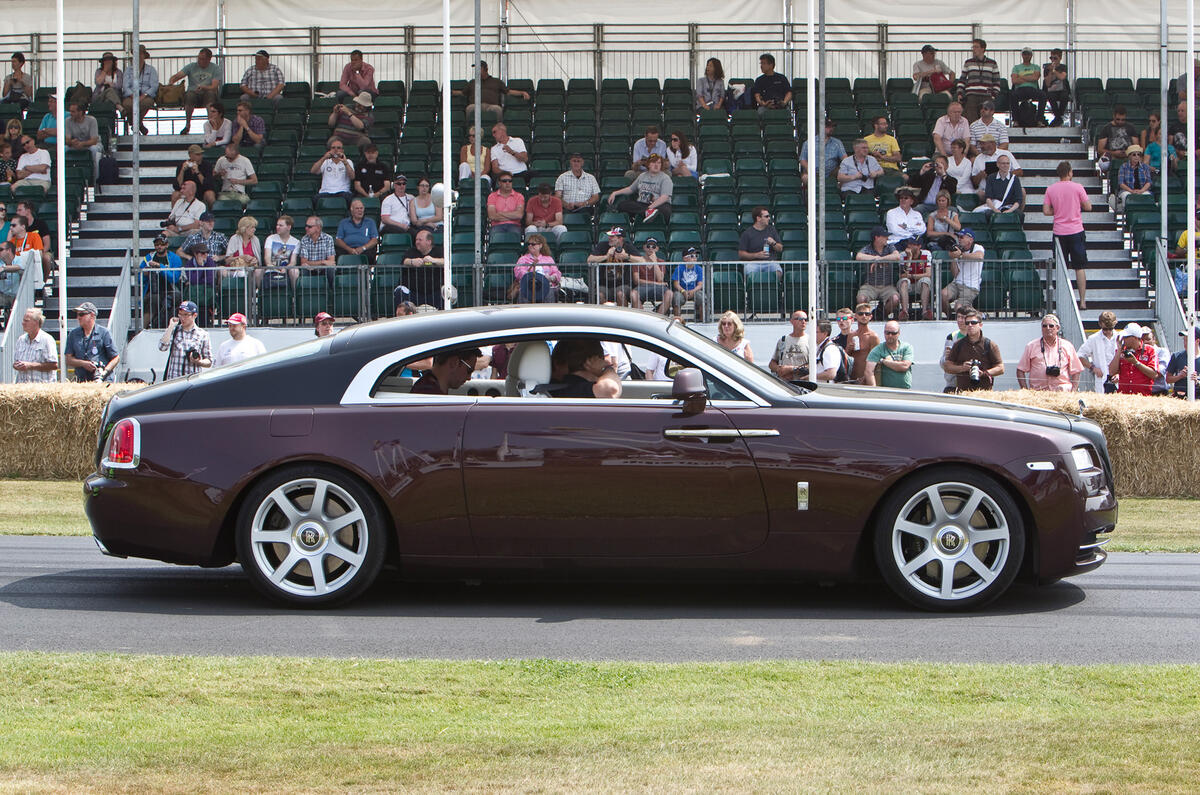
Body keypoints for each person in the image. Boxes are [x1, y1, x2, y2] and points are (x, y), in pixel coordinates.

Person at [1042, 160, 1092, 309]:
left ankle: (1063, 301)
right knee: (1080, 267)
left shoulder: (1050, 189)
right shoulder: (1078, 187)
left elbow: (1046, 211)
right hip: (1076, 230)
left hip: (1059, 232)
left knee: (1062, 268)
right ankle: (1082, 301)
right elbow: (1088, 206)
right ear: (1070, 172)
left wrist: (1057, 211)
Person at [1016, 313, 1083, 391]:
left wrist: (1073, 391)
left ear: (1057, 328)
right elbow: (1020, 370)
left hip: (1063, 392)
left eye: (1051, 326)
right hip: (1038, 392)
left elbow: (1076, 370)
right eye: (1044, 326)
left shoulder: (1067, 346)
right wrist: (1025, 391)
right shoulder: (1031, 346)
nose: (1047, 328)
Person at [944, 309, 1004, 391]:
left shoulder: (989, 344)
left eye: (973, 323)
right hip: (963, 393)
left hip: (984, 393)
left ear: (980, 325)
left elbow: (1000, 368)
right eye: (967, 323)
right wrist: (963, 368)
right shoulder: (958, 345)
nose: (970, 325)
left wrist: (983, 373)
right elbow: (947, 366)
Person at [167, 48, 222, 134]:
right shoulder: (191, 66)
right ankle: (187, 124)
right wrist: (172, 81)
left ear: (209, 59)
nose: (199, 61)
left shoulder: (215, 68)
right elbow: (178, 75)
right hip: (193, 92)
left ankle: (211, 124)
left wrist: (204, 87)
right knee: (189, 96)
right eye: (199, 58)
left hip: (207, 92)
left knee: (210, 95)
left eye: (202, 59)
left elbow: (214, 86)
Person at [64, 301, 119, 382]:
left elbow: (116, 358)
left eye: (81, 314)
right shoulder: (73, 334)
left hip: (103, 380)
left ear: (92, 315)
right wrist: (83, 363)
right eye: (77, 315)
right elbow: (68, 359)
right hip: (82, 381)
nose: (78, 317)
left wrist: (104, 372)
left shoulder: (104, 333)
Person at [609, 153, 673, 223]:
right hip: (642, 204)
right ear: (648, 164)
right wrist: (615, 193)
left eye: (659, 163)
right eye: (653, 162)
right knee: (623, 205)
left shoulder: (665, 178)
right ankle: (647, 213)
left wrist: (650, 208)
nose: (656, 165)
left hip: (658, 205)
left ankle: (648, 213)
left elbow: (665, 197)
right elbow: (631, 189)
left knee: (666, 211)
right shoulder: (642, 176)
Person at [454, 60, 528, 120]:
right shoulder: (472, 82)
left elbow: (508, 92)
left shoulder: (496, 81)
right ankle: (470, 130)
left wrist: (522, 93)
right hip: (475, 105)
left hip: (492, 106)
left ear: (486, 69)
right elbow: (462, 93)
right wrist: (451, 92)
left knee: (498, 110)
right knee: (469, 109)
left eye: (479, 68)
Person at [855, 227, 901, 319]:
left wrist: (880, 259)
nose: (887, 238)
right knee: (861, 298)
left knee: (895, 299)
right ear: (877, 237)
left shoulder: (890, 247)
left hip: (887, 285)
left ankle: (881, 314)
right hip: (870, 285)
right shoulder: (868, 248)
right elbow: (859, 256)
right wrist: (875, 258)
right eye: (884, 236)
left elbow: (897, 256)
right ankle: (866, 317)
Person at [549, 339, 621, 399]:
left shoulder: (550, 388)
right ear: (595, 361)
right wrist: (606, 369)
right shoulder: (576, 389)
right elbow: (611, 390)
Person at [588, 226, 642, 305]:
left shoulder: (628, 246)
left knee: (620, 294)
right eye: (609, 236)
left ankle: (622, 316)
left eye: (612, 237)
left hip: (623, 284)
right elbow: (589, 259)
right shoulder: (602, 245)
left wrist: (626, 256)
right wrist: (606, 256)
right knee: (599, 295)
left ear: (620, 238)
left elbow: (642, 261)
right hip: (604, 284)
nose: (609, 238)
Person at [139, 234, 184, 326]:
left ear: (167, 245)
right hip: (152, 291)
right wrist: (145, 274)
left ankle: (172, 328)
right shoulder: (148, 258)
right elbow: (140, 278)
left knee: (176, 299)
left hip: (171, 290)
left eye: (162, 244)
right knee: (153, 300)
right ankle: (142, 329)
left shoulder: (175, 258)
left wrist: (160, 267)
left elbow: (174, 278)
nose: (159, 246)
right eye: (157, 244)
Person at [158, 300, 211, 379]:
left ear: (194, 315)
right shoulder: (174, 330)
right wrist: (170, 327)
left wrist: (198, 361)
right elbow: (162, 347)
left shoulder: (203, 334)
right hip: (173, 379)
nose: (182, 318)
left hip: (192, 380)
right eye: (180, 314)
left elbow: (209, 361)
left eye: (186, 315)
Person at [940, 228, 985, 317]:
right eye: (958, 237)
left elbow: (979, 257)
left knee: (959, 307)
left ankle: (980, 314)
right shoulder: (957, 249)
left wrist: (960, 255)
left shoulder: (977, 247)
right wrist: (953, 258)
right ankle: (950, 317)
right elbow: (955, 273)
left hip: (971, 286)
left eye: (962, 237)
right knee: (942, 295)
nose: (959, 239)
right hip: (957, 282)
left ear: (970, 240)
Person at [397, 228, 445, 308]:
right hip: (414, 292)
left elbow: (446, 262)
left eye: (420, 240)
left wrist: (433, 260)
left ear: (429, 242)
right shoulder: (412, 251)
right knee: (399, 290)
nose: (417, 242)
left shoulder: (439, 251)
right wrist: (412, 262)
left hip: (435, 292)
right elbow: (404, 261)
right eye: (416, 240)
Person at [957, 38, 1000, 123]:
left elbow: (997, 81)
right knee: (971, 120)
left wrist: (993, 95)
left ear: (983, 49)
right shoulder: (968, 62)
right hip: (971, 95)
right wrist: (960, 93)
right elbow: (962, 79)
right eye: (973, 47)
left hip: (986, 95)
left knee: (986, 120)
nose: (974, 49)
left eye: (976, 47)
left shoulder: (992, 63)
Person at [1108, 323, 1157, 395]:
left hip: (1143, 397)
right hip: (1124, 396)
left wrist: (1136, 362)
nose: (1123, 339)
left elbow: (1154, 374)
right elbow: (1111, 372)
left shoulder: (1150, 350)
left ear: (1135, 338)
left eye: (1126, 337)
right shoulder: (1120, 351)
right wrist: (1119, 350)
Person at [1097, 106, 1139, 189]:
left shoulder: (1131, 128)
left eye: (1122, 119)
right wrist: (1113, 153)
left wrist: (1128, 152)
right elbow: (1100, 149)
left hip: (1128, 156)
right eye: (1118, 119)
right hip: (1112, 156)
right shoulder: (1106, 128)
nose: (1120, 122)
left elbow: (1137, 146)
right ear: (1114, 116)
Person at [11, 308, 58, 383]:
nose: (23, 323)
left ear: (36, 322)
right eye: (23, 320)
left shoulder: (47, 340)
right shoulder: (21, 340)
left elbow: (54, 365)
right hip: (23, 388)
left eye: (26, 321)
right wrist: (16, 366)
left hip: (42, 388)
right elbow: (16, 362)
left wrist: (30, 365)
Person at [120, 45, 158, 136]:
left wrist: (143, 96)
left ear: (144, 56)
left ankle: (135, 124)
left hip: (145, 96)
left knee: (147, 103)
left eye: (141, 54)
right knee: (127, 104)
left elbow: (154, 86)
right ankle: (138, 124)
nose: (139, 56)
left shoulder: (151, 70)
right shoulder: (129, 70)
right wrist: (133, 96)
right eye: (137, 54)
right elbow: (125, 86)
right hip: (131, 96)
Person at [1078, 310, 1119, 393]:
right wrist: (1093, 368)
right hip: (1101, 380)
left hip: (1118, 381)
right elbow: (1079, 356)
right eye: (1105, 329)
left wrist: (1120, 374)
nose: (1107, 332)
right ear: (1100, 324)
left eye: (1110, 329)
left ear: (1115, 324)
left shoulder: (1120, 337)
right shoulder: (1093, 339)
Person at [800, 118, 847, 190]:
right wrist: (809, 169)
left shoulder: (837, 143)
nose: (831, 129)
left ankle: (839, 194)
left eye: (832, 127)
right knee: (805, 178)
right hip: (814, 172)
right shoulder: (809, 142)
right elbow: (803, 160)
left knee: (845, 172)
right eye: (828, 127)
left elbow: (845, 159)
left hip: (832, 172)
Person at [512, 233, 561, 303]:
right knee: (523, 292)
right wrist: (531, 277)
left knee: (549, 291)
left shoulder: (548, 259)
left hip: (546, 287)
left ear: (540, 245)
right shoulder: (523, 259)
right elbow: (518, 272)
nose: (530, 246)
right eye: (529, 244)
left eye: (533, 244)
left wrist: (551, 278)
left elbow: (557, 273)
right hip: (529, 287)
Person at [629, 238, 673, 314]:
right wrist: (655, 283)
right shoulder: (637, 261)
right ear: (644, 247)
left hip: (658, 288)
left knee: (669, 293)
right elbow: (636, 280)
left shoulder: (661, 262)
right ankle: (642, 317)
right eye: (648, 246)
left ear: (657, 249)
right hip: (642, 287)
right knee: (633, 294)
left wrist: (654, 262)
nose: (651, 248)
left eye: (653, 247)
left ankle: (659, 317)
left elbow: (660, 279)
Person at [412, 348, 483, 395]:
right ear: (453, 363)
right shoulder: (429, 394)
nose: (469, 378)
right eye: (469, 371)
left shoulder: (428, 386)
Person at [738, 206, 784, 277]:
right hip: (753, 263)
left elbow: (780, 248)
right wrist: (756, 255)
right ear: (758, 218)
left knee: (778, 271)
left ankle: (774, 288)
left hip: (770, 262)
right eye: (766, 216)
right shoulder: (747, 233)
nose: (769, 218)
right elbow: (741, 254)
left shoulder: (772, 230)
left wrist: (773, 243)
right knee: (750, 273)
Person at [866, 321, 914, 389]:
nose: (890, 335)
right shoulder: (878, 350)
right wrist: (874, 390)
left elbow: (904, 366)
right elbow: (868, 371)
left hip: (905, 391)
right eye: (887, 333)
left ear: (899, 333)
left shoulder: (906, 347)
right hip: (886, 391)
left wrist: (885, 362)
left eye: (893, 333)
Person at [64, 102, 103, 181]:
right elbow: (66, 139)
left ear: (80, 112)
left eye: (73, 112)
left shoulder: (92, 120)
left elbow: (94, 140)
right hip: (75, 145)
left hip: (90, 144)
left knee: (94, 149)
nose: (70, 113)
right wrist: (71, 142)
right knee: (63, 149)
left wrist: (82, 144)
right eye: (70, 111)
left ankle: (96, 178)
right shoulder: (67, 121)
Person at [897, 237, 934, 321]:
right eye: (909, 244)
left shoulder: (926, 254)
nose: (909, 246)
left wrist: (912, 275)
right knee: (904, 282)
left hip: (919, 284)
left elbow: (928, 274)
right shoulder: (903, 254)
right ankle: (904, 312)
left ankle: (924, 312)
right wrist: (909, 258)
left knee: (926, 280)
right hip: (908, 284)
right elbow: (903, 275)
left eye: (913, 244)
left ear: (919, 246)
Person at [769, 311, 811, 383]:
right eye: (800, 319)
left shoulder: (810, 341)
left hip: (803, 383)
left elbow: (814, 365)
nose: (803, 322)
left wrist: (791, 370)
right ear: (792, 321)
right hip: (784, 383)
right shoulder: (783, 340)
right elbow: (772, 363)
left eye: (805, 319)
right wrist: (780, 370)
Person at [555, 152, 601, 217]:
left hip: (585, 208)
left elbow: (596, 197)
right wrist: (566, 205)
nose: (576, 163)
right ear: (570, 162)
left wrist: (585, 203)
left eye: (578, 161)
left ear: (582, 163)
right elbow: (558, 197)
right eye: (574, 161)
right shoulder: (562, 177)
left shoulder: (591, 178)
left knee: (585, 213)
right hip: (567, 208)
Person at [212, 142, 257, 206]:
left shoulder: (245, 161)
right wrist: (219, 174)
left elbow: (254, 180)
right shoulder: (221, 160)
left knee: (244, 201)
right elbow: (213, 175)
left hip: (239, 193)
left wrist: (238, 181)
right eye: (227, 157)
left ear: (237, 154)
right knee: (221, 203)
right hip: (225, 193)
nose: (228, 160)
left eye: (230, 158)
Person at [263, 214, 301, 289]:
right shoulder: (270, 238)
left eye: (281, 225)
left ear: (289, 227)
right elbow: (267, 257)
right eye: (277, 225)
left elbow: (293, 261)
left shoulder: (296, 242)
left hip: (286, 269)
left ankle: (294, 294)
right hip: (271, 268)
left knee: (295, 271)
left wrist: (285, 268)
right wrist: (271, 266)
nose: (277, 227)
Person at [939, 305, 972, 393]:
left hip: (970, 383)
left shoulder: (974, 337)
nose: (960, 320)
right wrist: (946, 358)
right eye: (958, 317)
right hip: (952, 384)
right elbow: (943, 364)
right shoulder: (951, 337)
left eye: (963, 317)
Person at [298, 216, 336, 288]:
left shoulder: (328, 238)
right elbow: (304, 262)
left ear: (318, 228)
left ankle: (331, 291)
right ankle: (305, 293)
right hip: (309, 269)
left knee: (331, 269)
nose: (306, 228)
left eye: (309, 227)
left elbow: (331, 261)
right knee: (304, 269)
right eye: (306, 226)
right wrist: (323, 262)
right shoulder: (304, 239)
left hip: (324, 269)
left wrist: (320, 263)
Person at [223, 215, 262, 287]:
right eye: (252, 227)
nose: (254, 229)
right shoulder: (234, 239)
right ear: (244, 228)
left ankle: (259, 295)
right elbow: (227, 260)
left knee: (259, 271)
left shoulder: (255, 240)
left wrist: (255, 260)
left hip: (250, 270)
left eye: (254, 227)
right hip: (235, 270)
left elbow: (258, 261)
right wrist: (241, 257)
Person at [1009, 47, 1045, 122]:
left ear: (1031, 55)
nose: (1026, 56)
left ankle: (1039, 120)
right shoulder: (1016, 67)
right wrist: (1029, 78)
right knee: (1012, 96)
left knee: (1043, 95)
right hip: (1020, 89)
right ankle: (1016, 120)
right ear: (1022, 55)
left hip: (1032, 89)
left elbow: (1035, 78)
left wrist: (1021, 76)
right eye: (1025, 54)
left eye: (1028, 54)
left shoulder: (1036, 67)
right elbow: (1014, 80)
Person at [1114, 144, 1152, 212]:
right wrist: (1131, 191)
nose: (1136, 156)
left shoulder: (1145, 167)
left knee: (1148, 196)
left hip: (1142, 190)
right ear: (1129, 156)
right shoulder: (1123, 167)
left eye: (1138, 154)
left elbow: (1148, 182)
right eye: (1134, 154)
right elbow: (1121, 183)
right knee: (1126, 196)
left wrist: (1141, 191)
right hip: (1127, 191)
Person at [670, 247, 705, 322]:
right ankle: (678, 321)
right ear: (685, 258)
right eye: (692, 256)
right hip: (681, 291)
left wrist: (693, 291)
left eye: (696, 256)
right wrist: (683, 291)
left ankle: (703, 321)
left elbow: (700, 284)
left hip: (695, 290)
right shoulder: (679, 268)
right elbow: (676, 283)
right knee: (676, 298)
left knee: (702, 298)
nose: (695, 258)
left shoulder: (699, 268)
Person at [1166, 327, 1200, 398]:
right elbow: (1168, 379)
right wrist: (1180, 376)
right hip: (1180, 398)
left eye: (1188, 340)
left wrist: (1197, 381)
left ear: (1197, 341)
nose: (1185, 343)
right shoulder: (1176, 356)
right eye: (1184, 340)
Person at [1040, 48, 1069, 127]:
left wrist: (1054, 71)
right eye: (1051, 58)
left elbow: (1062, 77)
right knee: (1050, 96)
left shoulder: (1063, 67)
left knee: (1065, 96)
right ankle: (1058, 118)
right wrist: (1050, 72)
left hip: (1061, 89)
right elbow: (1047, 83)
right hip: (1051, 90)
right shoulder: (1047, 68)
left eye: (1055, 58)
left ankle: (1058, 117)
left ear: (1060, 58)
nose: (1053, 60)